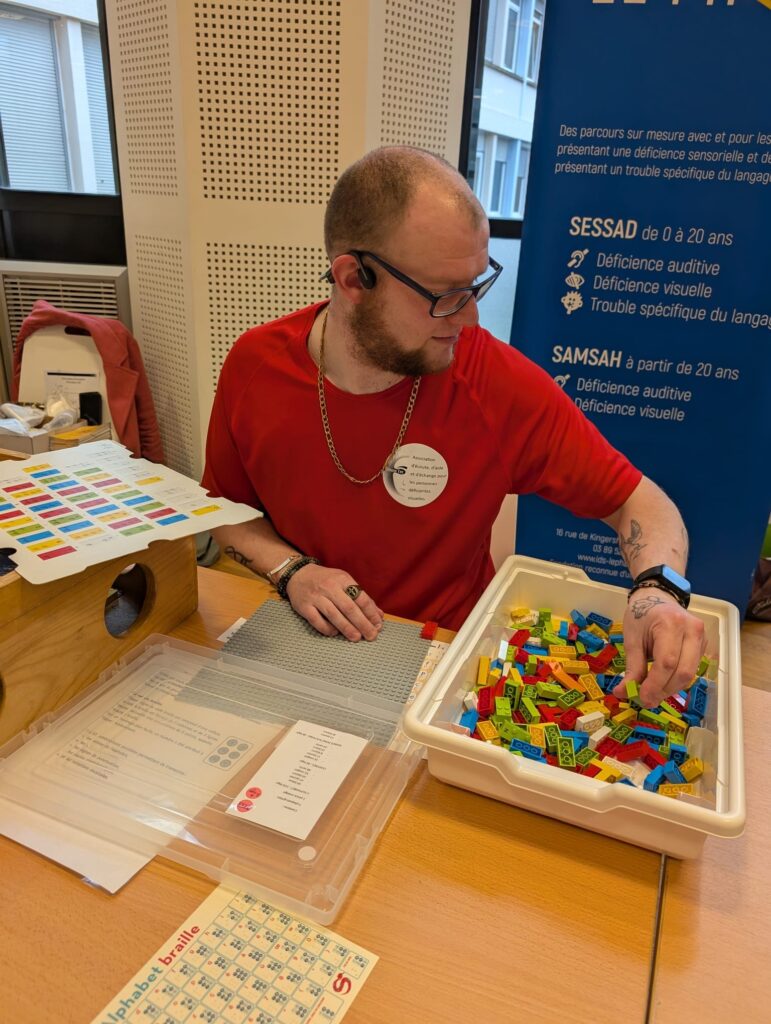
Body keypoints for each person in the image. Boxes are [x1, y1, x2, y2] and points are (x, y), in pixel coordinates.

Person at [203, 145, 705, 709]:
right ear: (352, 278)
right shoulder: (255, 368)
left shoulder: (496, 383)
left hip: (441, 668)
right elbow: (222, 513)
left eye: (477, 285)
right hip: (297, 642)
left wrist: (658, 594)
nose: (470, 319)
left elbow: (642, 503)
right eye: (445, 297)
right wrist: (292, 570)